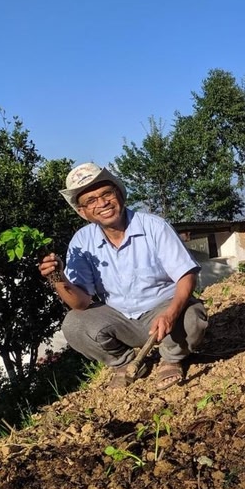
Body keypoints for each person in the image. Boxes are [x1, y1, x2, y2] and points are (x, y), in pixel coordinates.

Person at [39, 162, 208, 390]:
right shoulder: (82, 242)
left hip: (163, 310)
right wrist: (58, 278)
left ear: (119, 193)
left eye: (106, 194)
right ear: (82, 212)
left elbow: (186, 275)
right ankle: (126, 363)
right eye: (91, 200)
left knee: (192, 317)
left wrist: (170, 313)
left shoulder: (154, 226)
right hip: (120, 320)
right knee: (74, 324)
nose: (102, 203)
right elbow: (81, 303)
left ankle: (171, 358)